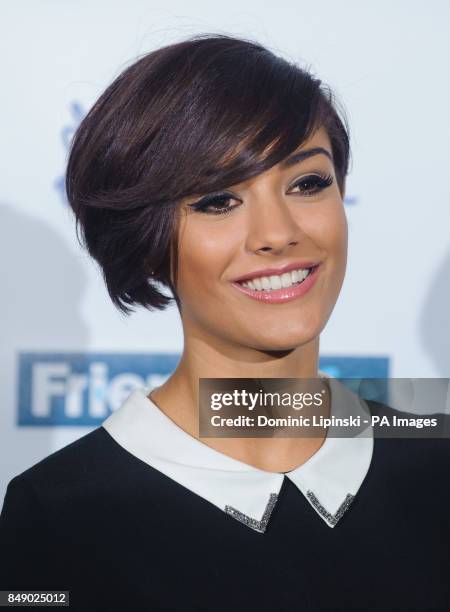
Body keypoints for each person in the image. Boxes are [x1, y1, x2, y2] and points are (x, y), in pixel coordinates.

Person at [1, 33, 450, 612]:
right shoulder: (57, 514)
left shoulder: (437, 471)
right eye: (217, 200)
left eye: (307, 183)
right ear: (145, 241)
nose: (278, 233)